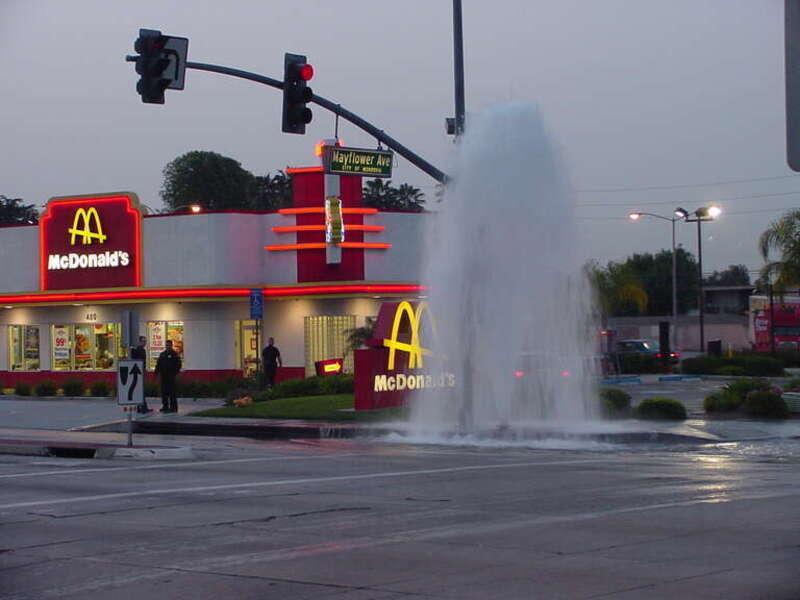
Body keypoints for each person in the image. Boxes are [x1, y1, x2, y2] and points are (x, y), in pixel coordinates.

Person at [155, 339, 182, 413]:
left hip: (171, 376)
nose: (167, 346)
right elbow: (158, 364)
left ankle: (173, 408)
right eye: (166, 345)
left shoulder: (174, 354)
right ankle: (165, 406)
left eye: (169, 345)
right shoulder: (162, 354)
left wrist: (174, 373)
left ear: (171, 345)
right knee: (164, 392)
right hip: (163, 376)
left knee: (172, 392)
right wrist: (156, 372)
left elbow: (178, 365)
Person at [130, 335, 151, 413]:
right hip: (139, 372)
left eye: (145, 341)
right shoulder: (139, 350)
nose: (145, 342)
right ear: (139, 342)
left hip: (139, 371)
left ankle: (140, 407)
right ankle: (142, 407)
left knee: (139, 389)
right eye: (143, 341)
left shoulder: (138, 349)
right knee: (140, 390)